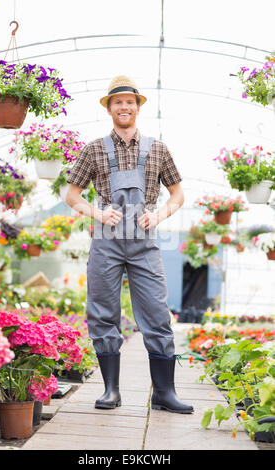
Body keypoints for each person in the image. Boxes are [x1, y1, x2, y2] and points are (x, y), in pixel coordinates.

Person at [65, 75, 193, 414]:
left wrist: (160, 215)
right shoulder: (93, 148)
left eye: (129, 102)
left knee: (155, 312)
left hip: (145, 241)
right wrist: (96, 213)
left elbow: (178, 193)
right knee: (103, 311)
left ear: (137, 108)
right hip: (106, 242)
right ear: (109, 108)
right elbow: (71, 195)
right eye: (117, 101)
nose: (124, 106)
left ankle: (165, 393)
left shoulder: (158, 148)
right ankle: (111, 391)